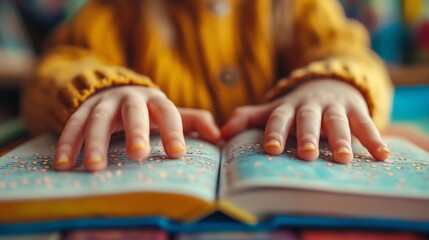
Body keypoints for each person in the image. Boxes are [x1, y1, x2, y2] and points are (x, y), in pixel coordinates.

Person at [21, 0, 393, 172]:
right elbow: (58, 66)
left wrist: (334, 82)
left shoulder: (301, 6)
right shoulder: (114, 10)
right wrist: (99, 90)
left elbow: (346, 49)